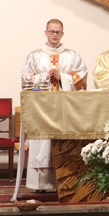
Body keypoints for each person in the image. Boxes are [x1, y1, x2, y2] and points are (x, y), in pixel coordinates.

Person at [20, 19, 87, 192]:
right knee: (41, 142)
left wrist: (62, 77)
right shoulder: (34, 56)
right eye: (52, 31)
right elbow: (25, 79)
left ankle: (66, 182)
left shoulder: (72, 56)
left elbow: (82, 79)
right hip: (42, 109)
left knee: (64, 142)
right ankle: (41, 184)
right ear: (46, 33)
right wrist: (44, 76)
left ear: (62, 34)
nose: (55, 35)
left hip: (66, 108)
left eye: (58, 32)